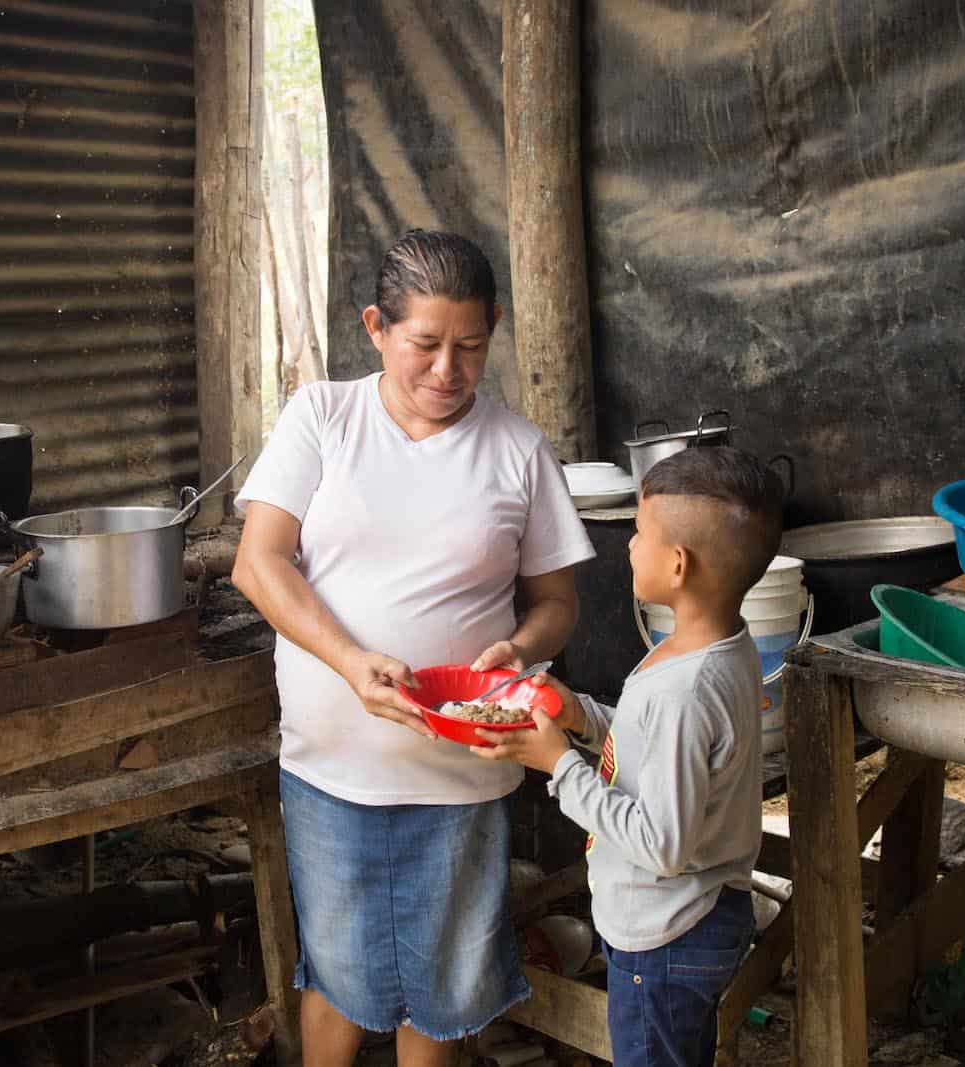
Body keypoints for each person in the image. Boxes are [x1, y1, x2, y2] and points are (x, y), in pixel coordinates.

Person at [231, 229, 596, 1066]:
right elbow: (260, 562)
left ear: (495, 329)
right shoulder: (322, 416)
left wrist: (519, 645)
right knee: (336, 975)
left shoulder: (517, 450)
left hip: (462, 773)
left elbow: (556, 604)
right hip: (332, 767)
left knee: (443, 990)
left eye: (470, 347)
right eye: (424, 344)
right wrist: (353, 662)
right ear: (375, 327)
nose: (447, 370)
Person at [473, 445, 781, 1067]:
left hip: (667, 935)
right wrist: (580, 716)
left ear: (677, 564)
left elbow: (663, 845)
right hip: (699, 913)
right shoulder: (719, 648)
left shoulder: (682, 690)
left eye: (638, 534)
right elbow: (655, 749)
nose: (629, 546)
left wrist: (560, 764)